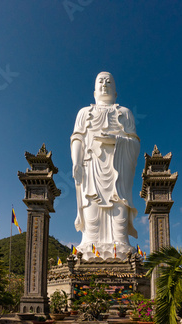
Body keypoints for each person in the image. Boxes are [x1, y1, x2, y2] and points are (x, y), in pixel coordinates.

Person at [71, 72, 140, 259]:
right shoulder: (84, 113)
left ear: (116, 93)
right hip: (91, 167)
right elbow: (77, 138)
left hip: (118, 170)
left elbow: (134, 143)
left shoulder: (125, 113)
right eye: (100, 81)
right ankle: (89, 246)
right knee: (92, 218)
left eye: (109, 81)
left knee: (119, 221)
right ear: (94, 92)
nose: (105, 84)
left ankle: (120, 246)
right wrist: (76, 161)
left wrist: (116, 141)